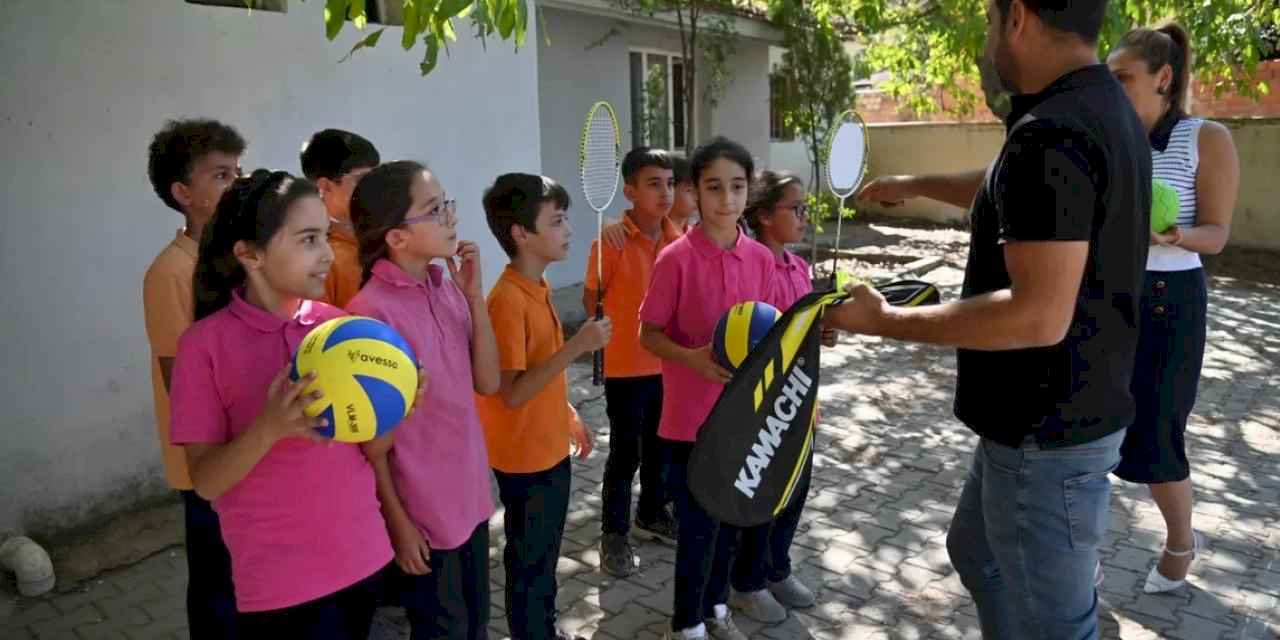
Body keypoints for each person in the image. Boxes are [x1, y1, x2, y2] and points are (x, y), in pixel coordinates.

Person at [834, 0, 1151, 637]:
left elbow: (1036, 316)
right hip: (1055, 417)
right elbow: (1008, 183)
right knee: (976, 552)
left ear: (1018, 18)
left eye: (987, 19)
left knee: (1055, 625)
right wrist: (916, 181)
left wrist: (885, 319)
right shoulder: (1100, 108)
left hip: (1045, 434)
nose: (986, 39)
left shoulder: (1052, 131)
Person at [169, 170, 399, 638]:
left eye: (326, 236)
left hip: (363, 556)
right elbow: (207, 481)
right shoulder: (204, 346)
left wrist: (397, 406)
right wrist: (268, 428)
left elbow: (371, 449)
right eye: (309, 239)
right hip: (280, 585)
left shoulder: (338, 328)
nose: (328, 254)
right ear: (249, 254)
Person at [1107, 22, 1240, 593]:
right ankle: (1081, 551)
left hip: (1170, 301)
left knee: (1160, 435)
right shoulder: (1110, 137)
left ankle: (1181, 545)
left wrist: (1173, 235)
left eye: (1124, 78)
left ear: (1164, 78)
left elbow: (1216, 234)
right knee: (1096, 428)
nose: (1113, 89)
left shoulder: (1205, 137)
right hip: (1108, 296)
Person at [346, 161, 502, 638]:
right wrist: (398, 521)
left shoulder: (446, 287)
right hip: (422, 511)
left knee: (476, 622)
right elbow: (370, 444)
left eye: (447, 204)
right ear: (396, 238)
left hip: (470, 496)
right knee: (443, 628)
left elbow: (489, 382)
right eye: (435, 210)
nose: (451, 217)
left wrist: (474, 297)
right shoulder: (370, 314)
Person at [639, 137, 779, 640]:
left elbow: (768, 332)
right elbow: (647, 333)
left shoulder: (761, 259)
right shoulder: (675, 259)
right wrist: (692, 359)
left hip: (742, 418)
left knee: (729, 524)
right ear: (694, 192)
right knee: (697, 530)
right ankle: (686, 624)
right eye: (714, 187)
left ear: (749, 190)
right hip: (688, 421)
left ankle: (717, 607)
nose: (727, 198)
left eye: (737, 187)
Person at [475, 173, 610, 640]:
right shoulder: (507, 301)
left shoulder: (538, 286)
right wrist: (578, 347)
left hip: (548, 446)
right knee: (531, 566)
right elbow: (510, 391)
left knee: (544, 559)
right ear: (521, 233)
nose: (568, 229)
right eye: (556, 221)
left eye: (567, 218)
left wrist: (567, 413)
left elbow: (540, 374)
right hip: (526, 459)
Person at [143, 118, 245, 637]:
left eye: (237, 171)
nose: (237, 183)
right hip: (206, 457)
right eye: (222, 175)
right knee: (216, 584)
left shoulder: (239, 257)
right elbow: (177, 378)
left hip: (248, 445)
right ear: (184, 193)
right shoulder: (171, 272)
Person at [727, 170, 831, 623]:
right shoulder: (754, 269)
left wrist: (822, 330)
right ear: (766, 216)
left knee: (795, 492)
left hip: (803, 399)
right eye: (797, 209)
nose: (805, 217)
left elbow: (801, 331)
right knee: (763, 499)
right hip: (766, 406)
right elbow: (750, 339)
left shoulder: (798, 266)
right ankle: (745, 583)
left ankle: (776, 568)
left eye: (807, 209)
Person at [584, 147, 683, 577]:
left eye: (669, 183)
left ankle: (651, 515)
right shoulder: (609, 242)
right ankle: (614, 535)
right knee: (627, 453)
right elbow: (592, 300)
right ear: (629, 192)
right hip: (626, 368)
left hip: (668, 364)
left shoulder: (679, 240)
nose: (665, 192)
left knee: (662, 447)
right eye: (653, 184)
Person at [299, 128, 381, 308]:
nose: (374, 188)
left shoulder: (385, 236)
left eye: (376, 178)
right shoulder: (318, 257)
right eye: (361, 180)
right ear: (325, 186)